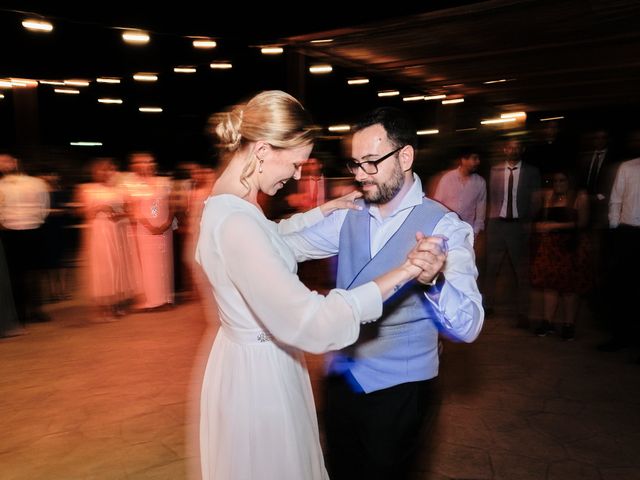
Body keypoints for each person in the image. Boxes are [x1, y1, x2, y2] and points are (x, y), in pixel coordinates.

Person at [195, 91, 435, 480]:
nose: (294, 176)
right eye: (294, 164)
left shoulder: (230, 206)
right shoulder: (237, 221)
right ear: (261, 150)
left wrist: (319, 212)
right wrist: (404, 271)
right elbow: (312, 321)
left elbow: (268, 239)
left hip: (246, 361)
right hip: (259, 380)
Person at [283, 106, 484, 479]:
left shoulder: (445, 227)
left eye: (372, 162)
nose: (361, 175)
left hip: (401, 389)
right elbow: (283, 246)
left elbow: (469, 326)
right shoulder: (348, 212)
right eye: (355, 164)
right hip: (341, 377)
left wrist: (436, 283)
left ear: (405, 156)